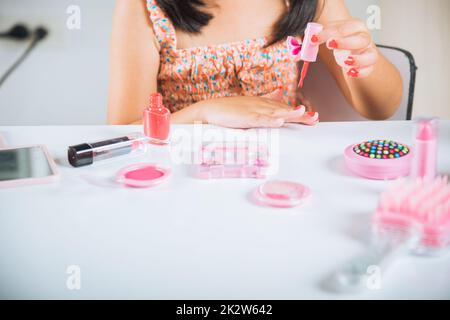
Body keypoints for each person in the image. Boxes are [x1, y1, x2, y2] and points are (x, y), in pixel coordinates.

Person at [108, 0, 402, 128]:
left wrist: (363, 58)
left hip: (284, 165)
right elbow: (124, 132)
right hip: (186, 172)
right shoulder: (145, 6)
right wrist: (206, 112)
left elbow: (380, 108)